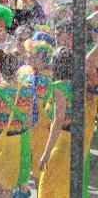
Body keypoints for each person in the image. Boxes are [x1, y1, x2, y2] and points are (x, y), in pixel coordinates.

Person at [37, 45, 98, 198]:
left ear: (58, 64)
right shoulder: (81, 84)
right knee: (65, 191)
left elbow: (58, 122)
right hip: (78, 146)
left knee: (46, 190)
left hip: (61, 146)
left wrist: (45, 154)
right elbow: (89, 61)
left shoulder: (59, 87)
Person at [0, 49, 34, 198]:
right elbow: (28, 121)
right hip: (15, 150)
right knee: (6, 193)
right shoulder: (27, 90)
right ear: (17, 68)